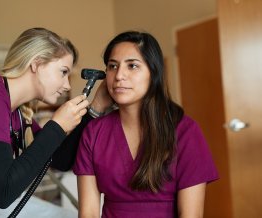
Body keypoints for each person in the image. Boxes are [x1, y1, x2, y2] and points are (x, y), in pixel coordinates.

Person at [73, 31, 219, 217]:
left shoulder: (185, 131)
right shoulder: (93, 132)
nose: (119, 76)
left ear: (154, 72)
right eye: (112, 66)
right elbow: (89, 213)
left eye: (132, 66)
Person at [0, 27, 111, 209]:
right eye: (63, 72)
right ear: (36, 64)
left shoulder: (18, 115)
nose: (68, 85)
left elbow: (59, 160)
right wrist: (57, 126)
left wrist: (95, 108)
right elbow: (3, 192)